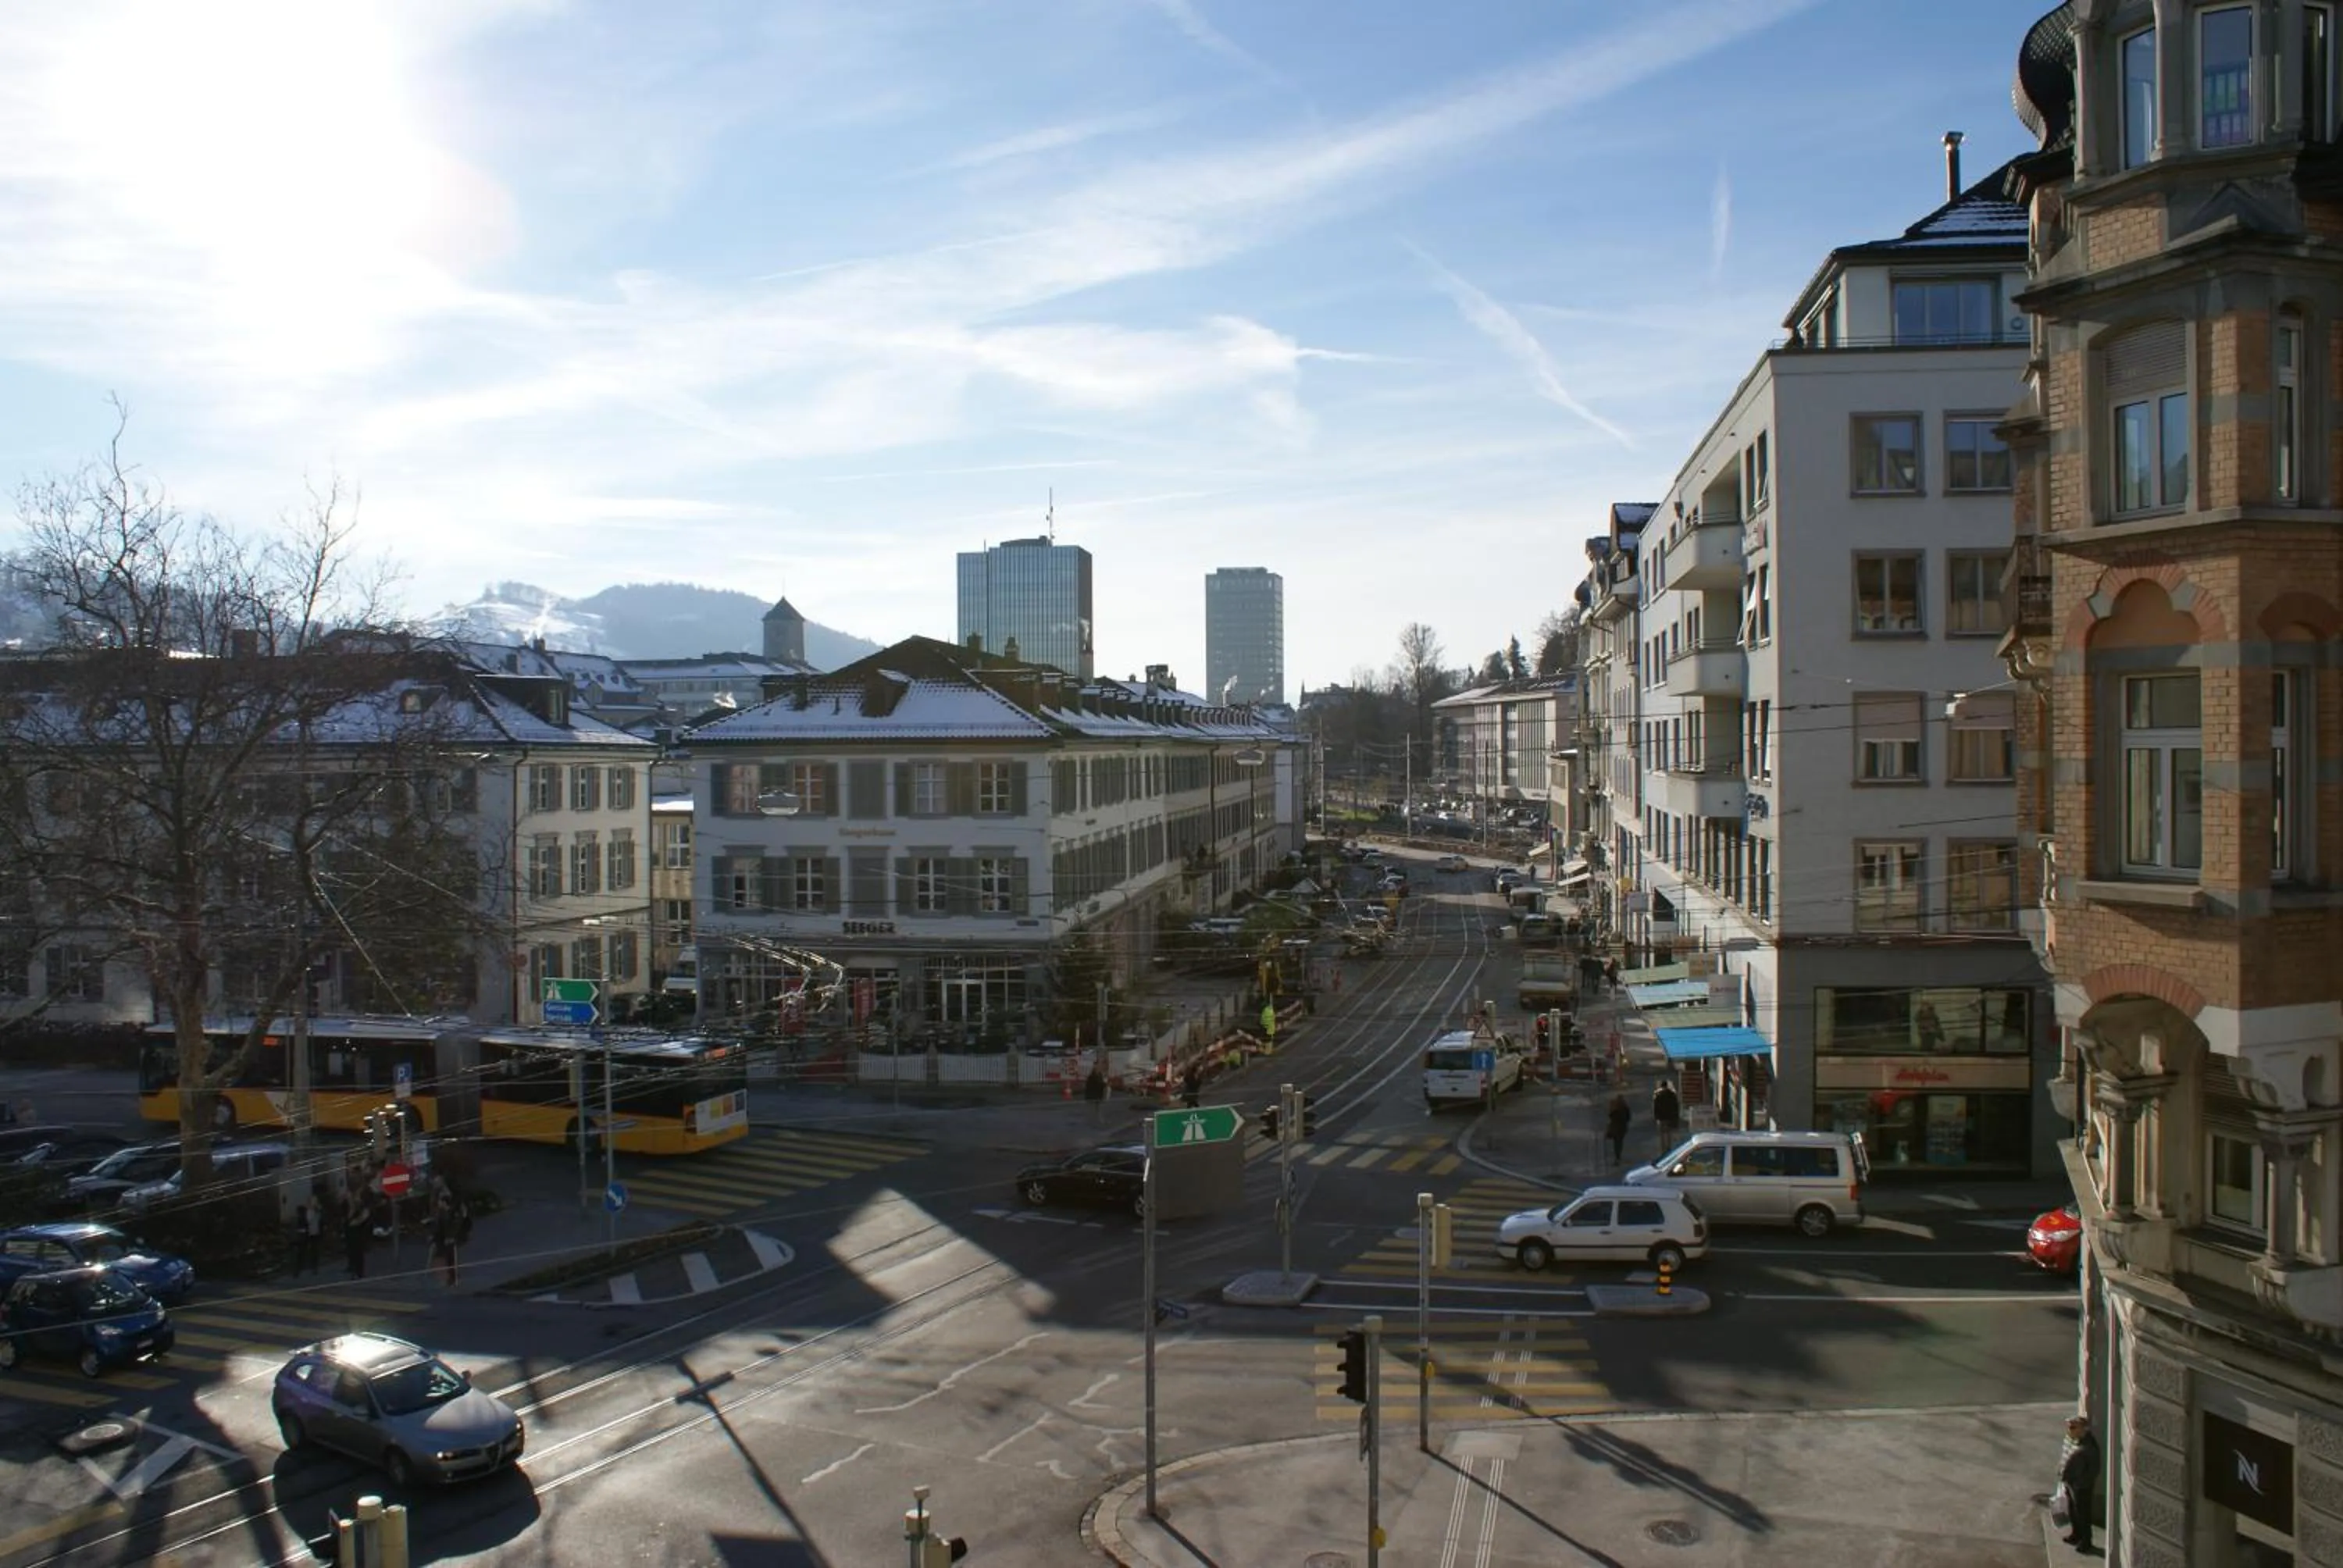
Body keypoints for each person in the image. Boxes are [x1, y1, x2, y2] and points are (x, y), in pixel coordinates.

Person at [2058, 1414, 2101, 1552]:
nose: (2069, 1430)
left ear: (2082, 1429)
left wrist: (2081, 1483)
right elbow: (2066, 1456)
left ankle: (2086, 1541)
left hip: (2081, 1486)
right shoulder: (2074, 1440)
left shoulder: (2089, 1446)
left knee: (2083, 1513)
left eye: (2073, 1427)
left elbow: (2093, 1469)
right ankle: (2076, 1534)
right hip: (2071, 1483)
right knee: (2073, 1511)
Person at [292, 1199, 323, 1277]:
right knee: (302, 1252)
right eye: (312, 1202)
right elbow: (301, 1224)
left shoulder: (318, 1213)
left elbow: (321, 1222)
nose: (313, 1204)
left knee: (314, 1251)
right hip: (306, 1234)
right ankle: (298, 1269)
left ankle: (314, 1268)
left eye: (315, 1203)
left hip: (315, 1234)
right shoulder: (304, 1212)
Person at [1651, 1078, 1681, 1153]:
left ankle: (1663, 1150)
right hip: (1670, 1117)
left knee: (1662, 1135)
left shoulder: (1657, 1095)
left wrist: (1656, 1117)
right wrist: (1676, 1117)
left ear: (1661, 1086)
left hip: (1661, 1118)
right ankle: (1668, 1149)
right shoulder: (1672, 1094)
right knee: (1669, 1133)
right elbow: (1675, 1106)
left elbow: (1655, 1107)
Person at [342, 1202, 371, 1280]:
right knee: (352, 1253)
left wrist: (357, 1221)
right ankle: (353, 1271)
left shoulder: (360, 1211)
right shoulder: (348, 1212)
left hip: (358, 1235)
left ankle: (359, 1272)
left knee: (358, 1254)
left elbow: (363, 1219)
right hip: (350, 1235)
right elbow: (347, 1223)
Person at [1604, 1095, 1631, 1165]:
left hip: (1615, 1128)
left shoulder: (1614, 1109)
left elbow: (1610, 1116)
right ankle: (1618, 1156)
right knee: (1620, 1142)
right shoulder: (1625, 1108)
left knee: (1616, 1143)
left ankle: (1617, 1157)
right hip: (1622, 1128)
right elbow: (1628, 1118)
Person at [1084, 1060, 1109, 1124]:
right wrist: (1104, 1084)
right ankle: (1093, 1121)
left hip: (1098, 1094)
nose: (1099, 1067)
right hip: (1093, 1095)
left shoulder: (1099, 1074)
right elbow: (1096, 1083)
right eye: (1098, 1065)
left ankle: (1099, 1120)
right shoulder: (1093, 1075)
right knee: (1093, 1109)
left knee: (1099, 1109)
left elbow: (1100, 1083)